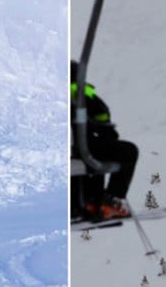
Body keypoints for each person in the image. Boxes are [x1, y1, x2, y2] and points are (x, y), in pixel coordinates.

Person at [71, 61, 139, 221]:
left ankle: (84, 204)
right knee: (128, 151)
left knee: (90, 155)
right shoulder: (80, 93)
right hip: (84, 147)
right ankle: (111, 201)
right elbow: (102, 116)